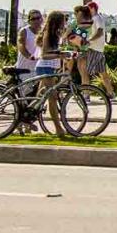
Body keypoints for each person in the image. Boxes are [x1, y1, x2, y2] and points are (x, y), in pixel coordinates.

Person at [34, 10, 70, 138]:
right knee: (52, 98)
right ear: (57, 22)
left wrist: (62, 55)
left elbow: (53, 52)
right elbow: (44, 55)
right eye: (63, 20)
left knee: (39, 98)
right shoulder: (48, 35)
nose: (65, 23)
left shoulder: (56, 35)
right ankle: (58, 128)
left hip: (50, 68)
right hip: (45, 68)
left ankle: (26, 118)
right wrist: (59, 54)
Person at [84, 1, 115, 99]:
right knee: (102, 72)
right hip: (99, 49)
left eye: (87, 9)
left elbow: (100, 32)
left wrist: (89, 40)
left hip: (94, 49)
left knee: (86, 72)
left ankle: (86, 95)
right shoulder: (99, 18)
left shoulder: (96, 18)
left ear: (92, 8)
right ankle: (111, 93)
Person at [15, 9, 43, 81]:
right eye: (33, 19)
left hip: (39, 67)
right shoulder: (24, 31)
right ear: (29, 21)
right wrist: (29, 56)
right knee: (26, 91)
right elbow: (21, 45)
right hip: (25, 67)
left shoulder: (44, 31)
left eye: (38, 18)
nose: (36, 21)